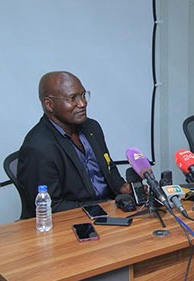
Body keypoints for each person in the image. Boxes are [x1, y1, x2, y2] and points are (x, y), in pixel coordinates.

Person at [17, 71, 132, 219]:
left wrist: (123, 187)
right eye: (73, 98)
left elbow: (109, 168)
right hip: (72, 223)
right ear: (49, 104)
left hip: (108, 213)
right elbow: (52, 207)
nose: (83, 103)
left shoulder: (92, 128)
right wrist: (104, 206)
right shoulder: (38, 147)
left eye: (83, 95)